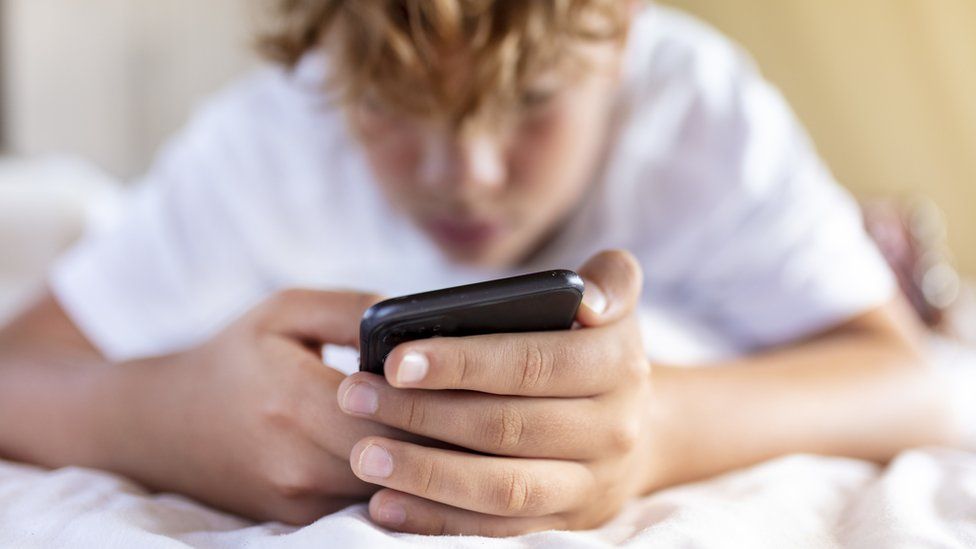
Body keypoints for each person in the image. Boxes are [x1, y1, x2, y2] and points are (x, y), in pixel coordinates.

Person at [0, 0, 958, 537]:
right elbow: (18, 371)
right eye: (393, 106)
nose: (468, 174)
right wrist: (163, 418)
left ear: (618, 30)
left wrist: (658, 429)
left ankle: (880, 243)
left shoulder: (694, 112)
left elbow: (920, 386)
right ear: (329, 52)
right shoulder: (274, 133)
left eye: (532, 101)